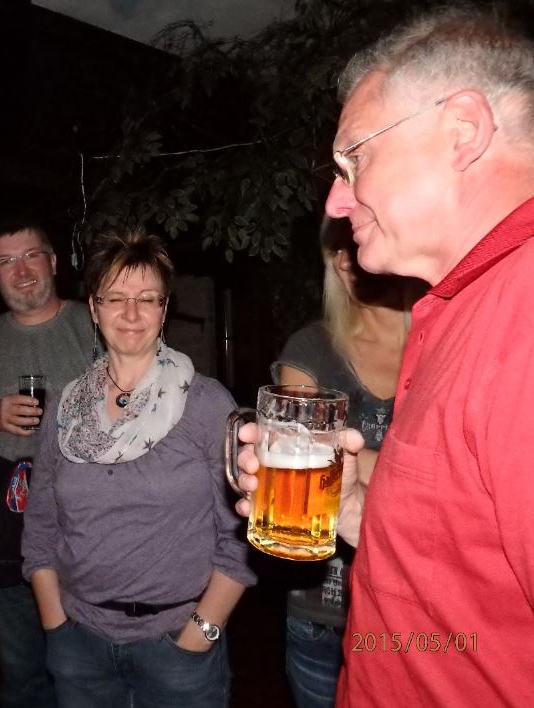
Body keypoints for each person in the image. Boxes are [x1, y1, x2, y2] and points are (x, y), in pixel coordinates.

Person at [234, 7, 534, 704]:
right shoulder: (457, 306)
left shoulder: (523, 310)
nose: (337, 201)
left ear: (462, 130)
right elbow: (462, 566)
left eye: (355, 159)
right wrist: (351, 504)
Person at [22, 230, 255, 708]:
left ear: (164, 311)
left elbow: (240, 533)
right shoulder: (67, 408)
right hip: (79, 644)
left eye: (147, 299)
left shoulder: (206, 404)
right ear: (94, 308)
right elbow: (40, 525)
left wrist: (201, 633)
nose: (131, 314)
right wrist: (56, 628)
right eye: (115, 298)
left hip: (178, 643)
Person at [0, 220, 93, 708]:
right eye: (6, 262)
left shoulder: (95, 326)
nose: (22, 271)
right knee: (23, 675)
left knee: (89, 672)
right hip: (6, 534)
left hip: (88, 530)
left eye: (31, 256)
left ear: (53, 262)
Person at [273, 217, 416, 708]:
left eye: (354, 243)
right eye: (336, 249)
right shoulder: (311, 347)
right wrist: (410, 469)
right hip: (325, 610)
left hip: (419, 613)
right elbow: (302, 467)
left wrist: (353, 458)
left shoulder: (439, 343)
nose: (345, 259)